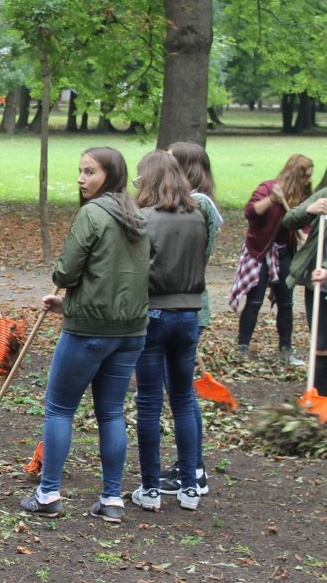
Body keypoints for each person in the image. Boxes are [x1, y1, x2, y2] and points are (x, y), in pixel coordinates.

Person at [20, 147, 149, 523]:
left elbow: (65, 272)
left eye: (90, 172)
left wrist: (69, 293)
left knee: (59, 408)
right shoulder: (137, 215)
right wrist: (68, 304)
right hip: (130, 331)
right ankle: (112, 500)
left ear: (111, 175)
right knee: (111, 412)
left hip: (90, 331)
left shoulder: (92, 214)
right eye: (80, 171)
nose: (81, 178)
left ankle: (48, 494)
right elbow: (120, 276)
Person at [130, 150, 209, 513]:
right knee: (182, 399)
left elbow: (137, 268)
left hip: (154, 313)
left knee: (148, 403)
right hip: (189, 314)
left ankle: (150, 488)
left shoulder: (144, 218)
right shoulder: (198, 216)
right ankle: (190, 486)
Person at [158, 142, 222, 497]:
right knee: (179, 391)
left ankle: (193, 470)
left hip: (186, 306)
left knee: (181, 393)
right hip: (184, 304)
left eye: (170, 162)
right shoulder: (192, 203)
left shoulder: (200, 205)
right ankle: (190, 464)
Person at [230, 154, 312, 365]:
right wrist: (271, 200)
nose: (309, 181)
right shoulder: (268, 188)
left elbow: (305, 218)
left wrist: (305, 233)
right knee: (254, 301)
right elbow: (250, 212)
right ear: (295, 175)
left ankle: (286, 349)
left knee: (286, 303)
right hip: (260, 252)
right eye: (306, 176)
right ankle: (242, 348)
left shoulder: (302, 194)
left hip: (285, 253)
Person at [281, 185, 327, 400]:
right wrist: (310, 209)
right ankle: (318, 400)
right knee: (320, 344)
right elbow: (289, 220)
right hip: (317, 283)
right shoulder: (325, 195)